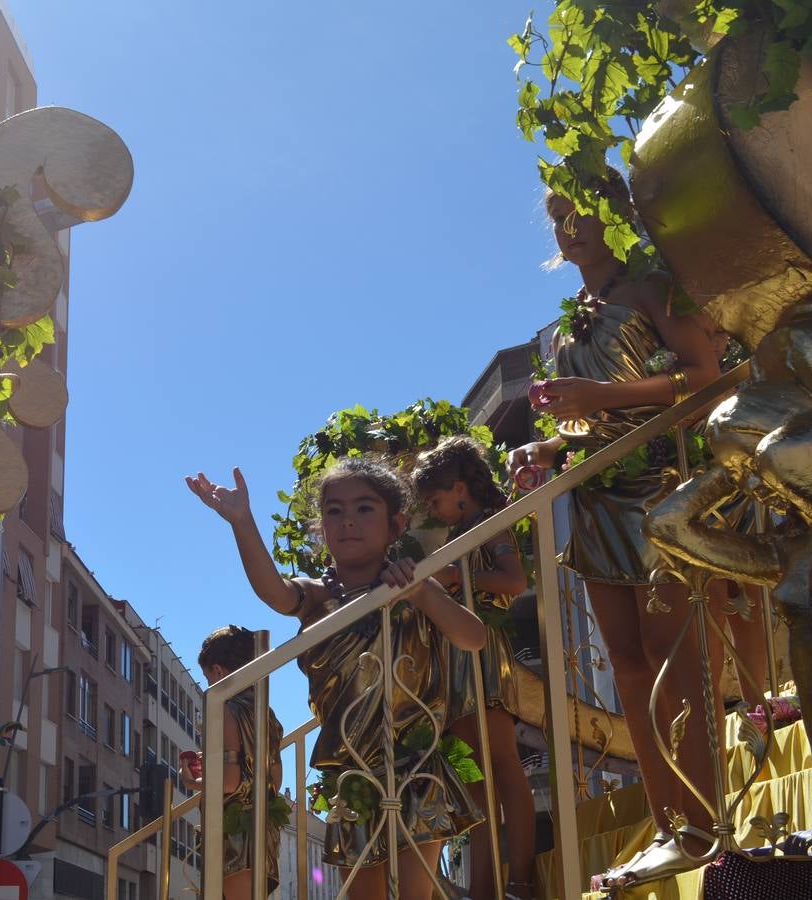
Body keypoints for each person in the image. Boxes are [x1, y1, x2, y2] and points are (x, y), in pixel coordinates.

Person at [508, 173, 727, 889]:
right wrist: (548, 448)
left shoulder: (652, 286)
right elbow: (587, 422)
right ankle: (670, 828)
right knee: (629, 671)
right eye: (557, 216)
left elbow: (707, 374)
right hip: (599, 501)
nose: (568, 226)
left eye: (579, 212)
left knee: (674, 660)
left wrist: (605, 396)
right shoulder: (577, 311)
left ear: (615, 214)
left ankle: (704, 824)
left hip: (660, 488)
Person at [187, 458, 486, 900]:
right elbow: (273, 591)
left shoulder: (416, 583)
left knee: (413, 892)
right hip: (351, 777)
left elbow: (473, 638)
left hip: (415, 768)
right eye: (334, 511)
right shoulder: (316, 596)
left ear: (395, 523)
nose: (348, 520)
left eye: (365, 508)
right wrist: (241, 521)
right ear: (320, 528)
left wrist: (420, 592)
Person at [413, 437, 535, 900]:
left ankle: (516, 881)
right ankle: (494, 884)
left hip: (479, 651)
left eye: (436, 500)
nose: (435, 510)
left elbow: (514, 582)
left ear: (461, 488)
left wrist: (449, 576)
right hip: (458, 653)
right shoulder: (463, 530)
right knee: (479, 778)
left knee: (497, 769)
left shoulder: (487, 525)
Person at [178, 625, 286, 900]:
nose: (209, 685)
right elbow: (275, 777)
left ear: (219, 671)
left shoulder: (225, 708)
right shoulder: (266, 714)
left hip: (234, 834)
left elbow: (228, 782)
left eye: (207, 677)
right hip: (260, 827)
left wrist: (194, 781)